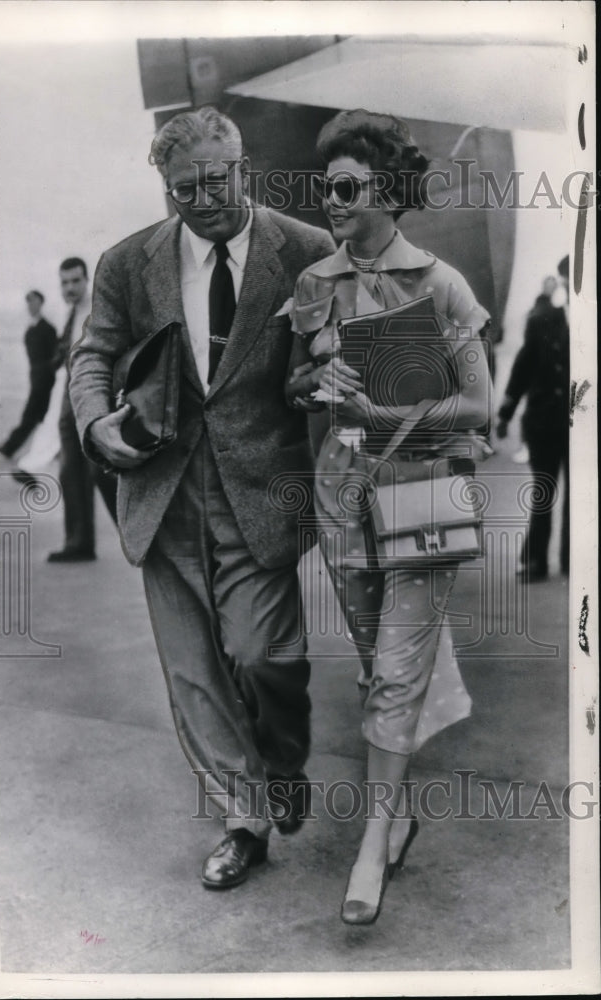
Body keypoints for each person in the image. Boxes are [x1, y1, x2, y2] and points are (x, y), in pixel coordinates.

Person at [68, 107, 335, 888]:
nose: (203, 199)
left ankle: (284, 760)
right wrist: (94, 424)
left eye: (216, 180)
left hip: (262, 490)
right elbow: (94, 357)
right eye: (184, 189)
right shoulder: (126, 265)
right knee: (192, 672)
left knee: (261, 654)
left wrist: (323, 379)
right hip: (161, 489)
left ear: (242, 167)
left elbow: (335, 349)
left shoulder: (307, 253)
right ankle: (242, 820)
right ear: (165, 187)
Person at [286, 110, 492, 925]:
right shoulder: (314, 286)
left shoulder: (441, 284)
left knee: (401, 674)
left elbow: (478, 403)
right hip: (342, 497)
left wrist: (385, 415)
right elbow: (293, 388)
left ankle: (372, 844)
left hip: (423, 491)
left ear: (389, 192)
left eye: (345, 186)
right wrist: (318, 383)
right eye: (323, 186)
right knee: (377, 669)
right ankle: (396, 811)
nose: (330, 201)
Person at [496, 256, 570, 580]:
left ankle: (574, 560)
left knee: (581, 494)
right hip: (544, 421)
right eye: (570, 280)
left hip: (581, 425)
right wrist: (505, 412)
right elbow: (523, 367)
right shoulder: (542, 319)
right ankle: (534, 560)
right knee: (544, 489)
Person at [47, 257, 118, 563]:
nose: (70, 287)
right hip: (70, 391)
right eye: (65, 282)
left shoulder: (96, 309)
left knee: (102, 467)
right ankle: (79, 541)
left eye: (76, 281)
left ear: (86, 280)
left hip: (95, 389)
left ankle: (141, 537)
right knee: (70, 468)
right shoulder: (71, 313)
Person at [0, 290, 57, 458]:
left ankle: (9, 448)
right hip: (35, 376)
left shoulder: (48, 328)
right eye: (28, 302)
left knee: (32, 414)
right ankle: (44, 451)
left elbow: (54, 356)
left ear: (41, 303)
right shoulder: (30, 328)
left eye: (33, 301)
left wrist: (47, 375)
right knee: (41, 416)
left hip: (45, 379)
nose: (30, 305)